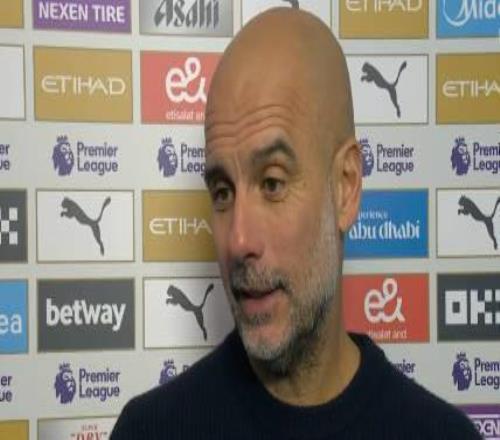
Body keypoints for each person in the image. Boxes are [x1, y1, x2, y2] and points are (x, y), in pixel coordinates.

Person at [111, 8, 480, 439]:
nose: (239, 240)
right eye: (223, 192)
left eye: (272, 183)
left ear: (345, 188)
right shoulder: (149, 430)